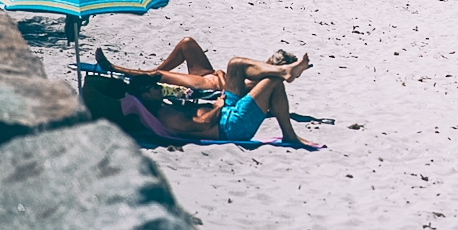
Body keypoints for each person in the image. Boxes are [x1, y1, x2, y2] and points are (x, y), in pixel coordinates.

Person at [125, 52, 313, 145]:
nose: (160, 89)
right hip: (232, 125)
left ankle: (284, 70)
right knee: (273, 81)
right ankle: (290, 135)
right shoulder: (166, 116)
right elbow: (202, 124)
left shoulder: (163, 106)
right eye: (155, 88)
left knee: (236, 64)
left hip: (227, 112)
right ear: (145, 94)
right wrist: (218, 105)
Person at [96, 37, 298, 92]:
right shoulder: (261, 72)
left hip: (208, 85)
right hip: (212, 75)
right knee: (187, 44)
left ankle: (114, 68)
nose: (268, 61)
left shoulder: (266, 83)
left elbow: (232, 90)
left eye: (273, 61)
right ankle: (151, 70)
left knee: (157, 78)